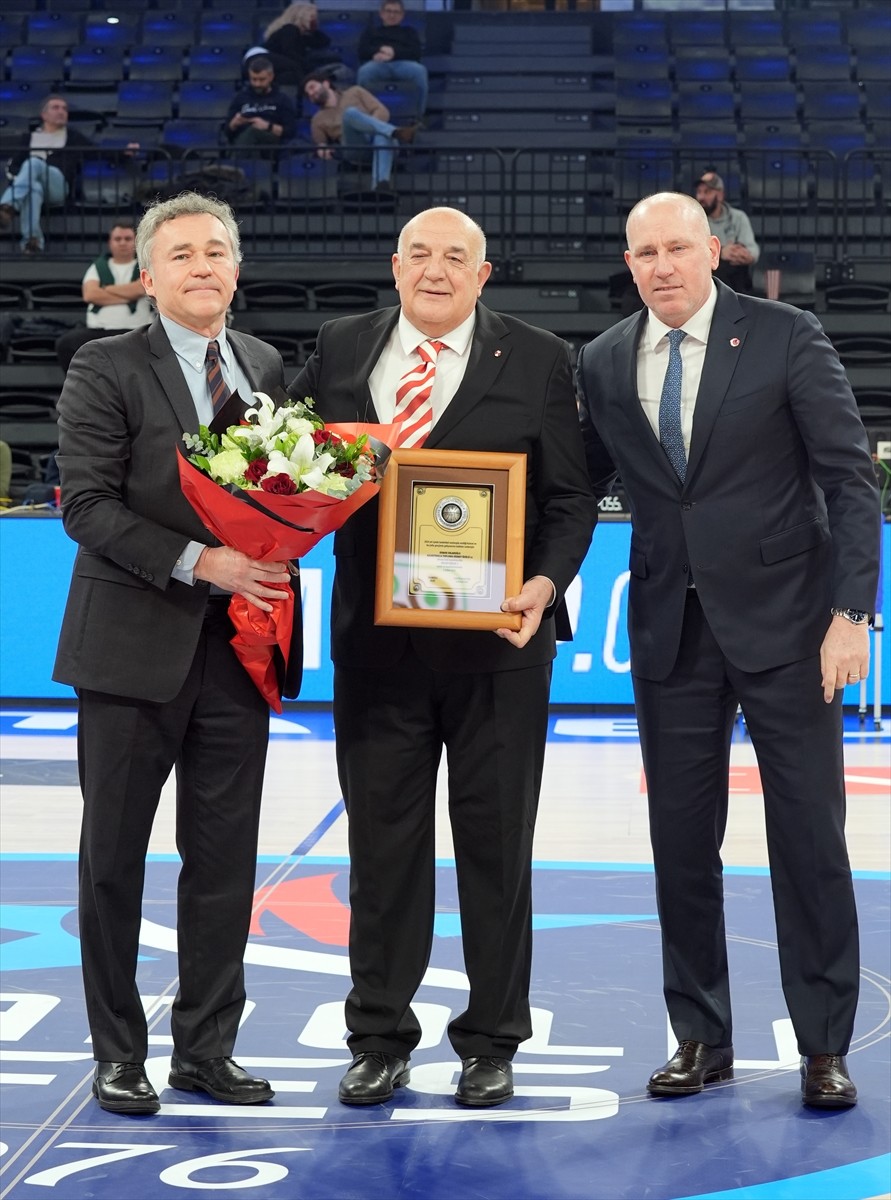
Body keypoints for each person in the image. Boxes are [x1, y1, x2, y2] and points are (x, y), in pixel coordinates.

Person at [287, 206, 597, 1109]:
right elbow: (296, 470)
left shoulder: (539, 356)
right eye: (419, 253)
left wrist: (542, 586)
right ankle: (378, 1036)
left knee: (497, 851)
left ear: (482, 274)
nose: (435, 269)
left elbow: (571, 499)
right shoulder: (340, 348)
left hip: (499, 649)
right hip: (377, 649)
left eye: (454, 257)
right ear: (394, 265)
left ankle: (492, 1040)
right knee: (383, 851)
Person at [576, 192, 880, 1110]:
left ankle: (824, 1046)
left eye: (676, 247)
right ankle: (700, 1037)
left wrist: (849, 615)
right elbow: (575, 488)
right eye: (643, 253)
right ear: (627, 264)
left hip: (790, 627)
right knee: (679, 844)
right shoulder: (600, 359)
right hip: (668, 630)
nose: (661, 265)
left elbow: (848, 477)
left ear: (713, 251)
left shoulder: (785, 334)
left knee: (808, 839)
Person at [53, 192, 303, 1116]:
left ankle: (207, 1048)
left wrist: (267, 564)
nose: (202, 267)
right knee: (113, 861)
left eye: (216, 252)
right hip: (129, 650)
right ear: (148, 276)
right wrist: (204, 562)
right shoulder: (105, 364)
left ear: (236, 269)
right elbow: (85, 505)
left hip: (239, 650)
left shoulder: (266, 364)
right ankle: (119, 1052)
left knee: (223, 860)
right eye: (183, 254)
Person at [0, 95, 95, 256]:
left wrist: (125, 152)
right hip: (32, 186)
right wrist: (24, 180)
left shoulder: (73, 137)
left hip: (57, 187)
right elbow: (14, 166)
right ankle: (32, 243)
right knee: (33, 189)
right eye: (56, 108)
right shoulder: (29, 138)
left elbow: (98, 152)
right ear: (44, 115)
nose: (61, 112)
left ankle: (7, 206)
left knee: (34, 163)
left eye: (64, 109)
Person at [55, 219, 153, 373]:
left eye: (127, 239)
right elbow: (90, 294)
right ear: (110, 242)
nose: (122, 243)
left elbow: (140, 289)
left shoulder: (145, 266)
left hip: (136, 331)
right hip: (98, 332)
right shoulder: (97, 266)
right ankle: (81, 388)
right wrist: (128, 295)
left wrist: (106, 289)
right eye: (117, 239)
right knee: (66, 344)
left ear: (136, 242)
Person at [303, 69, 420, 193]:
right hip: (354, 147)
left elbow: (382, 111)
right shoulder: (317, 119)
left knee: (382, 137)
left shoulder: (355, 91)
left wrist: (370, 127)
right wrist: (322, 151)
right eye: (308, 94)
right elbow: (321, 144)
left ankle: (380, 187)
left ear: (325, 83)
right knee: (350, 113)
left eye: (312, 87)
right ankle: (396, 132)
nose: (311, 93)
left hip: (378, 140)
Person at [356, 0, 429, 118]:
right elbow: (362, 51)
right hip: (378, 64)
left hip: (403, 64)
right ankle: (364, 115)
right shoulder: (371, 31)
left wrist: (393, 53)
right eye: (388, 11)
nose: (392, 15)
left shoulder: (409, 32)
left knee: (420, 71)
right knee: (364, 72)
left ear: (402, 15)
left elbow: (416, 52)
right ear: (381, 13)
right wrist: (378, 52)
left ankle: (419, 116)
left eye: (396, 12)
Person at [695, 170, 760, 294]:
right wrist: (721, 253)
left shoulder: (738, 217)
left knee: (736, 268)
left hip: (736, 276)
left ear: (720, 195)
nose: (701, 197)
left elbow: (753, 250)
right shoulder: (694, 220)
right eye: (699, 192)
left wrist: (746, 254)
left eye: (707, 192)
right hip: (707, 276)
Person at [225, 57, 298, 150]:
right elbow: (227, 132)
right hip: (242, 140)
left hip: (271, 144)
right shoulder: (240, 98)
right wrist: (234, 123)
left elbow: (290, 132)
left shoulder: (282, 99)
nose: (257, 84)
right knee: (248, 134)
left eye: (261, 79)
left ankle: (239, 162)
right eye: (254, 79)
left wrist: (268, 126)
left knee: (253, 131)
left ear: (271, 76)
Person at [260, 3, 339, 87]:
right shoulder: (289, 30)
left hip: (291, 70)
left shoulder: (301, 36)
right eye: (312, 17)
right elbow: (289, 52)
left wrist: (313, 28)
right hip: (283, 73)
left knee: (334, 60)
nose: (315, 19)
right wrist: (310, 69)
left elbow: (324, 42)